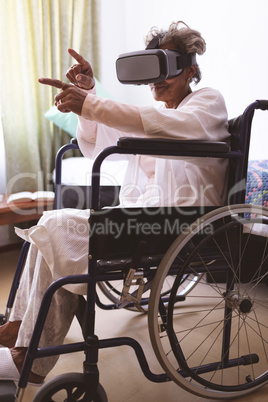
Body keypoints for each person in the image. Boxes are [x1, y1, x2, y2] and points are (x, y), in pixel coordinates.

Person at [0, 21, 230, 383]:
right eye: (150, 71)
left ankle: (28, 357)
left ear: (190, 70)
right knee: (50, 225)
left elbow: (165, 126)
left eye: (165, 68)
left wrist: (94, 104)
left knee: (58, 229)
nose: (156, 81)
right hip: (143, 219)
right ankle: (17, 328)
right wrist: (88, 94)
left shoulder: (206, 102)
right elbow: (110, 134)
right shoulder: (161, 116)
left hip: (182, 223)